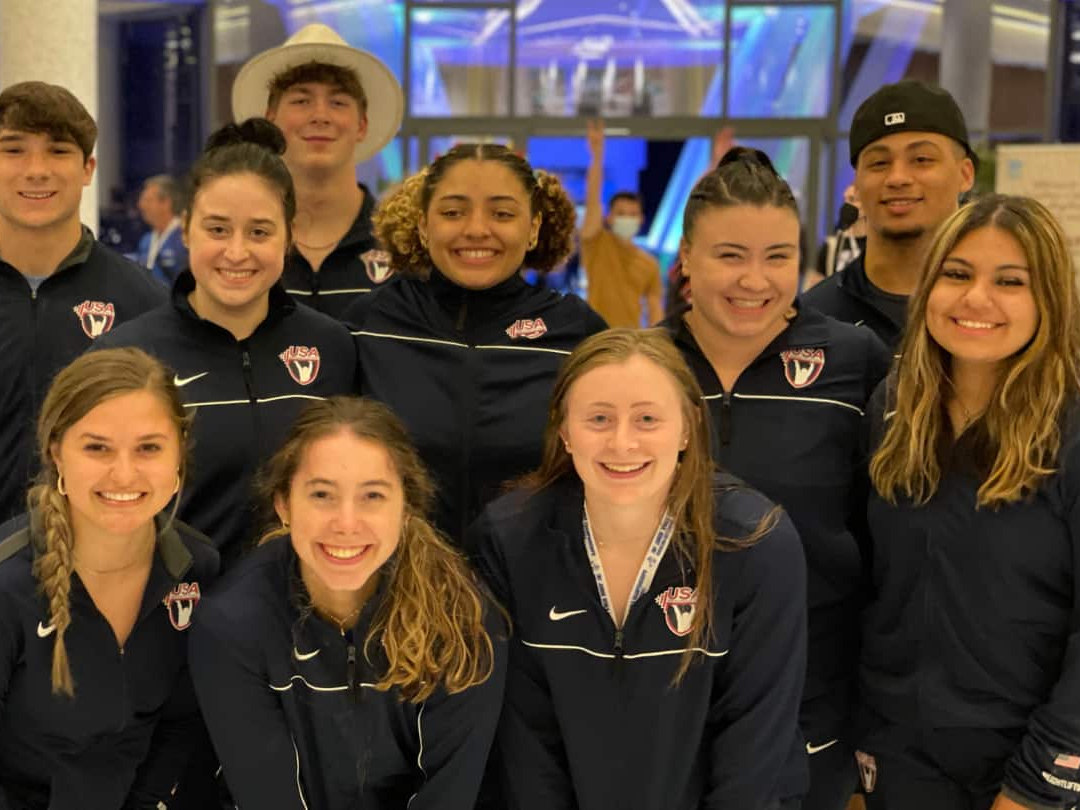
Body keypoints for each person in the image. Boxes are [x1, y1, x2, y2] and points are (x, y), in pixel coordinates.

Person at [473, 329, 808, 808]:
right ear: (564, 430)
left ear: (688, 429)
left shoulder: (755, 542)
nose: (623, 442)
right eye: (599, 419)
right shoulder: (510, 540)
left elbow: (756, 739)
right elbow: (525, 740)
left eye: (647, 418)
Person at [0, 348, 219, 810]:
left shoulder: (195, 568)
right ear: (56, 450)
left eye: (149, 447)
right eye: (96, 447)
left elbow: (178, 722)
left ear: (179, 453)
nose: (124, 473)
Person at [665, 146, 892, 809]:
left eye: (778, 257)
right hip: (670, 687)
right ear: (686, 257)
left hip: (814, 696)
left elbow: (890, 534)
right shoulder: (645, 365)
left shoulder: (854, 360)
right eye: (729, 255)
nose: (754, 281)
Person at [860, 194, 1080, 810]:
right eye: (956, 274)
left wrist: (1041, 781)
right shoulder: (892, 408)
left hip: (1030, 766)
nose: (976, 299)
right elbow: (877, 591)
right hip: (900, 759)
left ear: (1049, 298)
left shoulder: (1079, 427)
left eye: (1010, 281)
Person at [0, 81, 166, 593]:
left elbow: (166, 448)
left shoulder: (143, 302)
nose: (36, 169)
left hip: (110, 586)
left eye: (58, 151)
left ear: (88, 168)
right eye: (14, 150)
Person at [190, 396, 506, 808]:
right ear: (283, 504)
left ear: (406, 506)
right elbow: (267, 797)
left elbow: (448, 795)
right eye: (322, 495)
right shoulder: (232, 623)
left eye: (372, 496)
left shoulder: (464, 620)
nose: (346, 523)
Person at [96, 119, 356, 565]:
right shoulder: (126, 357)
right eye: (217, 230)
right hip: (170, 620)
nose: (237, 252)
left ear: (290, 234)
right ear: (185, 228)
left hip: (303, 617)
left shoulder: (332, 347)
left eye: (259, 232)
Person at [348, 143, 606, 542]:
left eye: (502, 213)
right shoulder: (368, 325)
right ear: (422, 224)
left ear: (534, 227)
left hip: (531, 590)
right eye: (453, 212)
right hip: (394, 583)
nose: (476, 230)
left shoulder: (576, 334)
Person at [232, 23, 404, 318]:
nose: (320, 116)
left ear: (362, 125)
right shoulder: (238, 247)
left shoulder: (401, 245)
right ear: (271, 119)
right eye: (301, 101)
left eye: (337, 102)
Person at [803, 80, 977, 348]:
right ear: (857, 186)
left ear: (965, 175)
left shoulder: (994, 315)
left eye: (921, 159)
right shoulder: (812, 322)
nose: (897, 178)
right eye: (879, 163)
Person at [580, 119, 664, 328]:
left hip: (631, 341)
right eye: (621, 213)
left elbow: (655, 309)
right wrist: (597, 156)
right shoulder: (596, 243)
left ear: (641, 219)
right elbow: (592, 202)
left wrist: (658, 345)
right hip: (595, 337)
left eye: (632, 214)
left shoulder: (649, 264)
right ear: (609, 217)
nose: (627, 218)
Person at [134, 174, 189, 286]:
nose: (140, 205)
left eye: (148, 200)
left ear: (165, 203)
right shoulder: (146, 240)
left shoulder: (185, 237)